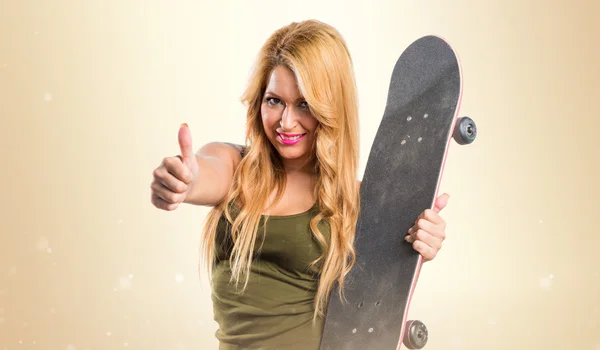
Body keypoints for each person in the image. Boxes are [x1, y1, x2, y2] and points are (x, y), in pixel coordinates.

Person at [150, 19, 449, 350]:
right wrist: (184, 181)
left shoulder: (360, 201)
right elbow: (203, 173)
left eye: (304, 104)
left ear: (330, 108)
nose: (286, 122)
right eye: (274, 101)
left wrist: (419, 243)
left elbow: (377, 316)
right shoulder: (235, 168)